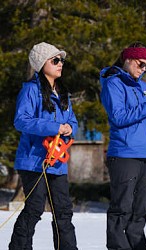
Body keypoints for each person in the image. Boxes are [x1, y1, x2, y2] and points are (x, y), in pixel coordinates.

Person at [100, 42, 146, 250]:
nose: (143, 69)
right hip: (125, 154)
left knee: (140, 210)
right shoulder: (113, 83)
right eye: (141, 64)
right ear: (128, 59)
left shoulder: (143, 86)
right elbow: (119, 117)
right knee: (122, 208)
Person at [9, 42, 79, 250]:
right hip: (33, 161)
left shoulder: (63, 93)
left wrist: (69, 129)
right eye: (55, 60)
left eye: (61, 60)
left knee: (63, 211)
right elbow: (21, 120)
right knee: (34, 207)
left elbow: (72, 121)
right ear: (41, 64)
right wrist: (54, 127)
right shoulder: (30, 90)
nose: (60, 64)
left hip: (57, 161)